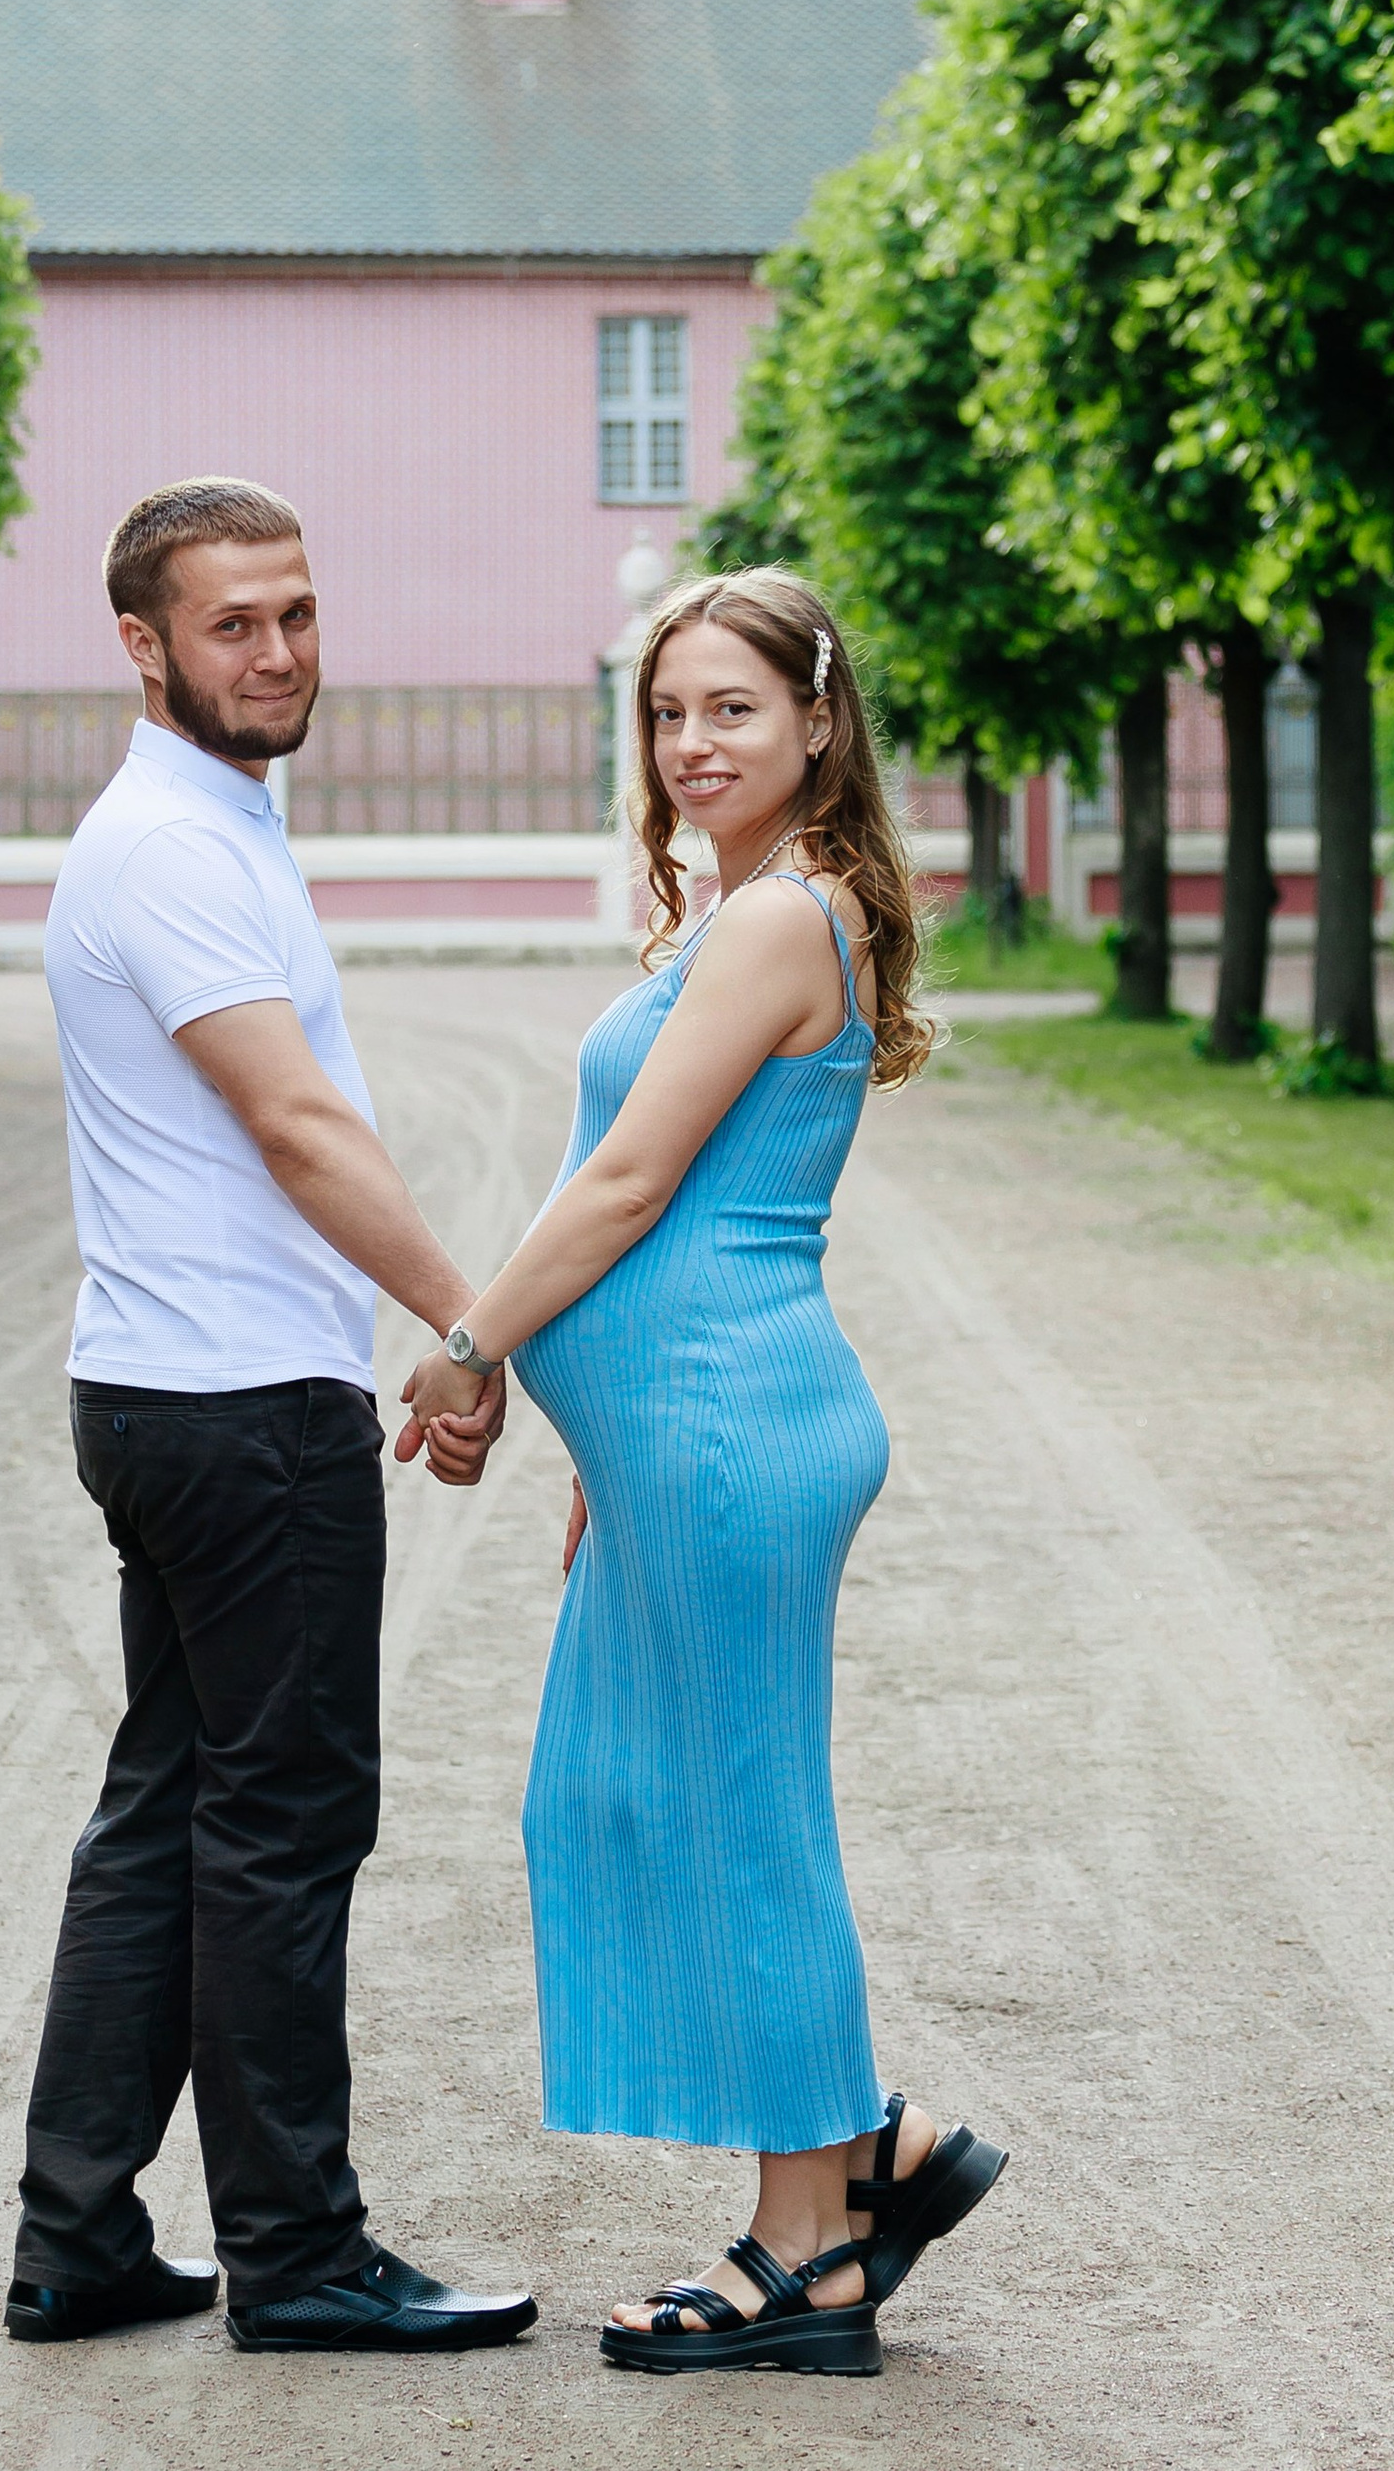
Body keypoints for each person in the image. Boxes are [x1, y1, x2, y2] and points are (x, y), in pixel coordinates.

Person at [399, 568, 1008, 2379]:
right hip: (682, 1443)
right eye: (667, 713)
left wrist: (470, 1345)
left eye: (731, 706)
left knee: (747, 1825)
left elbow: (625, 1187)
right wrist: (602, 1438)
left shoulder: (775, 919)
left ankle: (811, 2251)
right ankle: (866, 2151)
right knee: (616, 1801)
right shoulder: (743, 908)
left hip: (738, 1431)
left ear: (820, 718)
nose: (691, 743)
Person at [7, 476, 538, 2362]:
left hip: (172, 1398)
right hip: (239, 1418)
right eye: (236, 624)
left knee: (171, 1815)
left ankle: (76, 2238)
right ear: (143, 646)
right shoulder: (169, 848)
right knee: (283, 1825)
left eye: (299, 613)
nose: (282, 651)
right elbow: (300, 1129)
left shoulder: (209, 826)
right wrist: (476, 1325)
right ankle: (299, 2256)